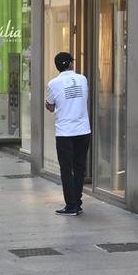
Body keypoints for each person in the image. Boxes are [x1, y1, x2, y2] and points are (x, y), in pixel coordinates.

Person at [45, 52, 91, 216]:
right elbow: (83, 98)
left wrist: (56, 106)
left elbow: (49, 105)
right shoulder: (83, 79)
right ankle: (77, 203)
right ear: (70, 64)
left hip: (65, 132)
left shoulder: (53, 84)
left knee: (66, 169)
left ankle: (70, 205)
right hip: (83, 130)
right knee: (79, 168)